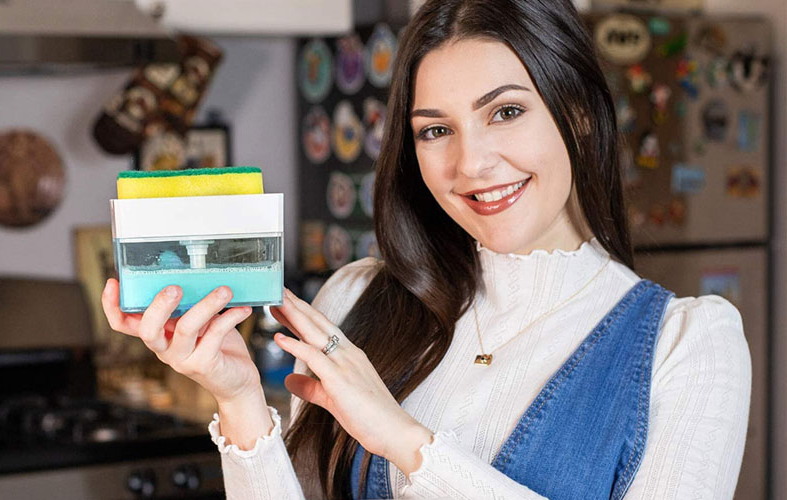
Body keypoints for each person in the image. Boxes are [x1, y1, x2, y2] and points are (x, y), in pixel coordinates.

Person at [101, 0, 751, 498]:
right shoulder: (357, 297)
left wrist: (408, 442)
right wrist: (239, 398)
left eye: (505, 112)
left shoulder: (689, 344)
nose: (472, 163)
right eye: (436, 129)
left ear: (577, 112)